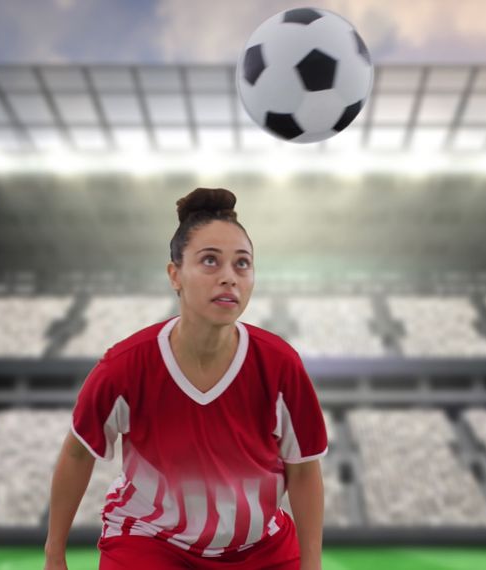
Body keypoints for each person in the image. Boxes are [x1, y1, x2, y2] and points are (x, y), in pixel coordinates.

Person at [44, 187, 327, 570]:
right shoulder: (124, 367)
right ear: (174, 274)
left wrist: (312, 565)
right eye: (210, 261)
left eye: (242, 264)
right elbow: (79, 452)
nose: (229, 277)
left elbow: (304, 468)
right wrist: (54, 555)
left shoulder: (281, 365)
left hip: (261, 550)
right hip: (151, 542)